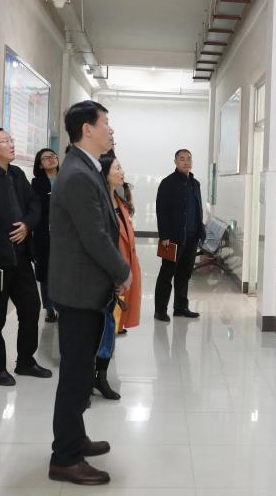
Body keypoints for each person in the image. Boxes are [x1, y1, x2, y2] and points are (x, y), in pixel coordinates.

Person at [48, 101, 131, 485]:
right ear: (87, 129)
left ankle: (74, 438)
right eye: (105, 123)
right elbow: (94, 236)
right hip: (79, 289)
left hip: (85, 288)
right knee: (75, 376)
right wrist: (122, 271)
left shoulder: (85, 167)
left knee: (81, 374)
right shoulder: (79, 173)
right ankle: (65, 458)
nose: (110, 130)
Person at [0, 128, 50, 385]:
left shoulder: (16, 173)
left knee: (31, 309)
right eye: (6, 141)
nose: (12, 144)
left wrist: (27, 225)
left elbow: (35, 203)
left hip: (22, 256)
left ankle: (25, 361)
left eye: (11, 140)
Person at [90, 150, 142, 401]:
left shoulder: (119, 202)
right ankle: (86, 380)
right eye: (117, 168)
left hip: (120, 275)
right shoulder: (97, 204)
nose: (122, 172)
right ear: (104, 173)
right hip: (102, 276)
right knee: (95, 330)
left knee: (109, 329)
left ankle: (100, 377)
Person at [154, 149, 205, 320]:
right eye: (182, 159)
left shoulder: (195, 184)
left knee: (185, 274)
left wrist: (200, 231)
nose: (186, 162)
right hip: (173, 238)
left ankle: (181, 308)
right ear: (175, 162)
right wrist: (164, 235)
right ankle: (160, 310)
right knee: (167, 274)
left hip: (192, 237)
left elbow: (198, 209)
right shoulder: (168, 183)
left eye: (189, 159)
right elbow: (161, 210)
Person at [31, 148, 60, 323]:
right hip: (44, 232)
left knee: (63, 269)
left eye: (53, 156)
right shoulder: (36, 183)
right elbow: (36, 206)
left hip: (65, 232)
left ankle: (63, 305)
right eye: (46, 158)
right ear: (40, 165)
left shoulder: (67, 178)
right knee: (46, 269)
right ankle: (49, 307)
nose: (51, 159)